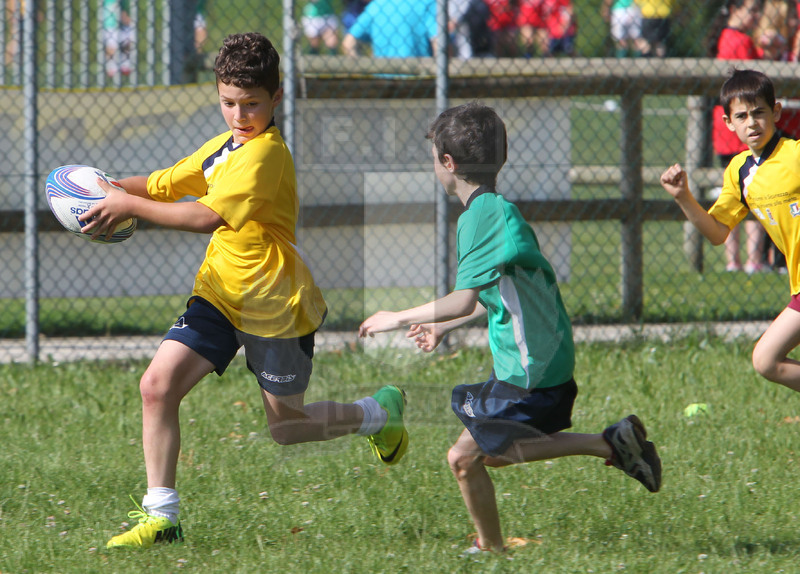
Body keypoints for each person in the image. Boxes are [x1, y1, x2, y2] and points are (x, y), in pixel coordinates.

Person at [80, 32, 408, 549]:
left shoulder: (265, 156)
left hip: (275, 305)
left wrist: (127, 208)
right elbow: (168, 183)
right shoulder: (224, 146)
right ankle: (162, 517)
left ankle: (378, 413)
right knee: (156, 387)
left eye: (251, 104)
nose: (238, 114)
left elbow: (203, 215)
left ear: (276, 99)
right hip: (218, 294)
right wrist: (106, 188)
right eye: (228, 102)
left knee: (288, 428)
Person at [359, 102, 662, 554]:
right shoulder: (500, 211)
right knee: (494, 453)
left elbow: (464, 296)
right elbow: (500, 294)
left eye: (434, 161)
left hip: (529, 370)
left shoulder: (479, 217)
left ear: (448, 163)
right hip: (540, 360)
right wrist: (446, 329)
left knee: (464, 459)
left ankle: (492, 550)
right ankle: (610, 444)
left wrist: (396, 317)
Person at [661, 69, 800, 400]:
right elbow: (717, 232)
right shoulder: (739, 171)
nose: (751, 122)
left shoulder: (794, 153)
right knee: (766, 360)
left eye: (759, 112)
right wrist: (684, 197)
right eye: (742, 116)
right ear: (728, 123)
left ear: (776, 112)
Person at [707, 0, 766, 274]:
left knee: (738, 194)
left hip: (732, 132)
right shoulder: (736, 40)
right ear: (734, 10)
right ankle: (749, 259)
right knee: (747, 193)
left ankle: (740, 261)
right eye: (751, 10)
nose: (756, 16)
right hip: (741, 133)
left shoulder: (731, 38)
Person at [341, 0, 436, 58]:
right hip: (419, 80)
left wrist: (362, 72)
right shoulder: (426, 2)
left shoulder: (377, 5)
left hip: (382, 82)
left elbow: (348, 43)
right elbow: (438, 42)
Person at [102, 0, 134, 77]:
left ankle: (124, 64)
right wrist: (125, 18)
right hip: (111, 24)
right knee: (112, 46)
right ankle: (111, 66)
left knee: (128, 41)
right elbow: (117, 10)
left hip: (121, 25)